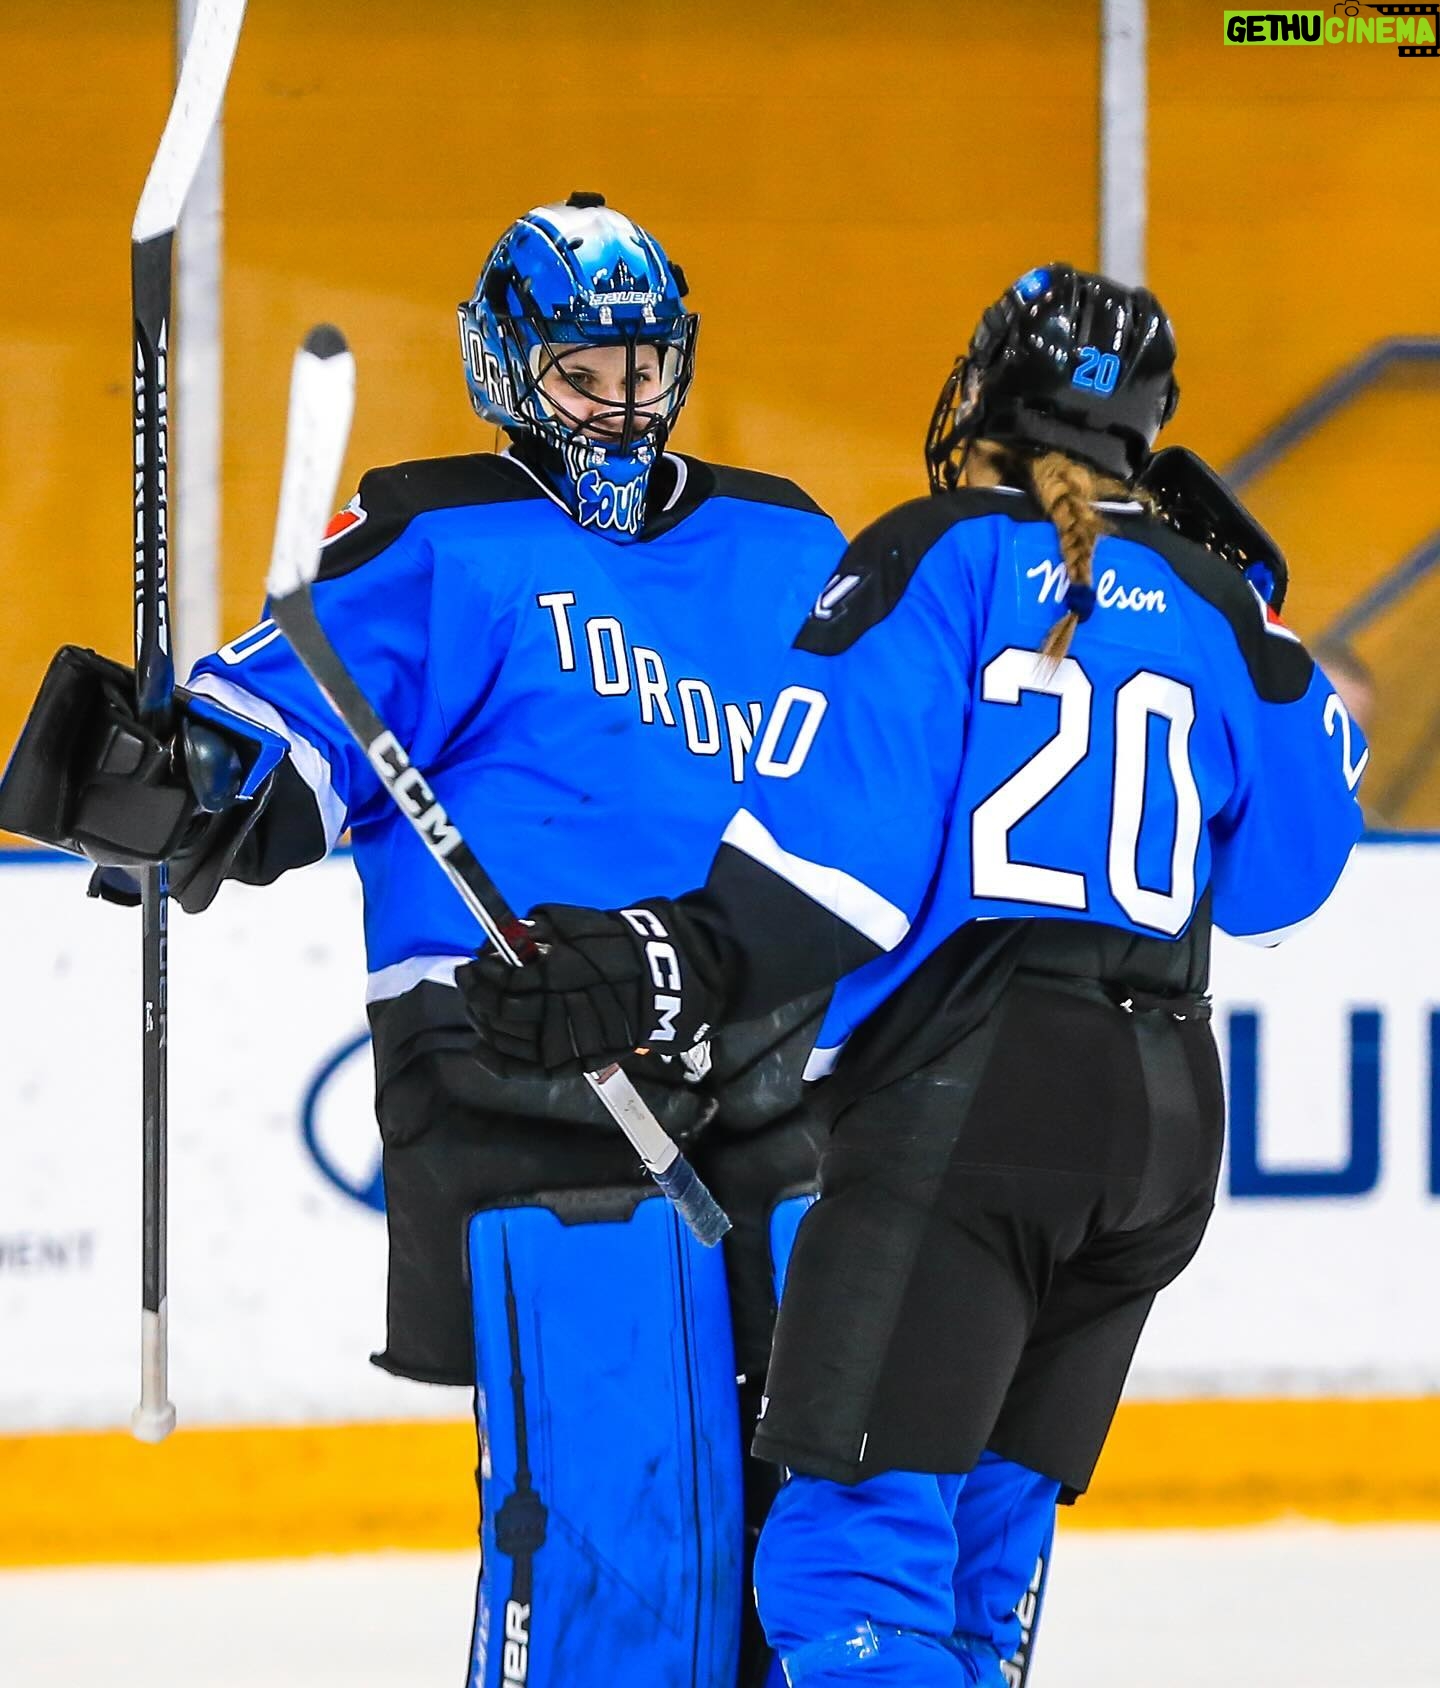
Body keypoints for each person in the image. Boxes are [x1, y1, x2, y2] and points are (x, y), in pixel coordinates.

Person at [459, 264, 1369, 1686]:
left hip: (975, 1112)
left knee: (850, 1569)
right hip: (1162, 1128)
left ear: (984, 400)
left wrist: (657, 961)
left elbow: (836, 873)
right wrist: (1260, 624)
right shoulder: (1217, 606)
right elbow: (1287, 885)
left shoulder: (937, 556)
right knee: (979, 1564)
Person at [0, 195, 848, 1688]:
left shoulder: (788, 541)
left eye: (646, 367)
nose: (623, 402)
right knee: (618, 1532)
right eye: (585, 371)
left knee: (830, 1528)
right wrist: (177, 778)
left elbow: (877, 785)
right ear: (509, 371)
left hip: (782, 1070)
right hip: (532, 1084)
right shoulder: (438, 537)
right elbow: (272, 760)